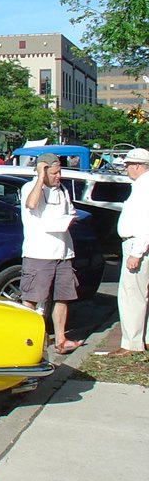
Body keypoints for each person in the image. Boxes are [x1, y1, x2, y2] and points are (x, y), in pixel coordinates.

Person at [20, 152, 84, 355]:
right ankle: (27, 341)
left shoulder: (63, 190)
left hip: (63, 252)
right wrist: (40, 178)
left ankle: (61, 339)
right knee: (32, 298)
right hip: (39, 254)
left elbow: (71, 212)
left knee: (62, 297)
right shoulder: (30, 187)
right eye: (54, 173)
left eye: (60, 172)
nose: (58, 176)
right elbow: (31, 204)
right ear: (43, 170)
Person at [103, 148, 149, 356]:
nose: (126, 168)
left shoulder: (144, 188)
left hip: (137, 243)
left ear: (138, 166)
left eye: (128, 165)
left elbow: (146, 222)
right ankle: (143, 338)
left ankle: (131, 343)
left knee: (132, 295)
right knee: (140, 294)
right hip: (138, 243)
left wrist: (137, 252)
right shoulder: (142, 186)